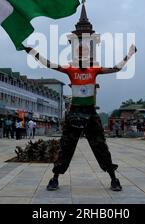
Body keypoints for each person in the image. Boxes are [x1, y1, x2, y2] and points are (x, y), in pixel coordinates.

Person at [25, 42, 137, 192]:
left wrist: (130, 54)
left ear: (88, 57)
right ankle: (55, 178)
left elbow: (117, 68)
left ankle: (113, 178)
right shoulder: (70, 70)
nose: (82, 56)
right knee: (66, 146)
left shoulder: (95, 70)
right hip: (75, 113)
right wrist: (33, 52)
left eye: (84, 54)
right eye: (79, 54)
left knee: (100, 146)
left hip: (90, 113)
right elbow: (49, 64)